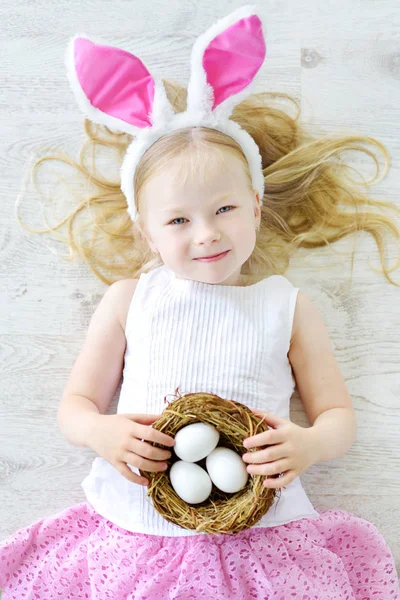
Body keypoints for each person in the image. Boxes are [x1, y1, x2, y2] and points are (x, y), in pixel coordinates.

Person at [1, 5, 400, 599]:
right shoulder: (129, 300)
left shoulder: (285, 305)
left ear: (256, 208)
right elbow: (75, 404)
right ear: (148, 233)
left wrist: (310, 443)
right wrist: (100, 433)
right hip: (137, 527)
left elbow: (338, 418)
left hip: (260, 530)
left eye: (225, 209)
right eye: (179, 220)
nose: (206, 233)